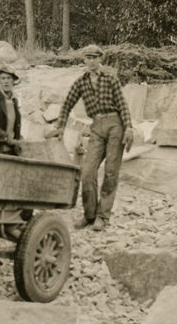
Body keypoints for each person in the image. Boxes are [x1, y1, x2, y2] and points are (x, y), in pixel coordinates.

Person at [46, 44, 134, 231]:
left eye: (95, 57)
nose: (92, 61)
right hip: (96, 126)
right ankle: (89, 214)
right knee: (87, 172)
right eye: (88, 57)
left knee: (111, 172)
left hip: (115, 124)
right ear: (84, 60)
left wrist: (128, 128)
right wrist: (60, 126)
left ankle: (103, 216)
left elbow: (123, 105)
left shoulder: (110, 78)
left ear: (100, 59)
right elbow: (67, 103)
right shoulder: (81, 82)